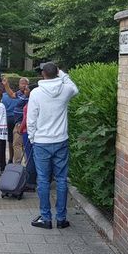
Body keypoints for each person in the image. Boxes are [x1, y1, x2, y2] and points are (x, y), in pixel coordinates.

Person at [27, 63, 78, 230]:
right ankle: (61, 218)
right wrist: (61, 73)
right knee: (61, 179)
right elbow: (74, 88)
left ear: (43, 73)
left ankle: (46, 218)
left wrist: (32, 137)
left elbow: (31, 118)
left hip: (42, 141)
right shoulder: (65, 90)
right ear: (57, 72)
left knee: (43, 180)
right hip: (60, 139)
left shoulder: (36, 93)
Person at [3, 77, 30, 164]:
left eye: (24, 83)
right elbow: (11, 95)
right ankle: (23, 163)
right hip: (18, 122)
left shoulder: (28, 95)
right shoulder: (20, 93)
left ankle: (19, 164)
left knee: (18, 144)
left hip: (22, 123)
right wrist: (6, 85)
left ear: (28, 85)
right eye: (21, 83)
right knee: (19, 144)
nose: (23, 85)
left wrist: (20, 124)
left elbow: (23, 103)